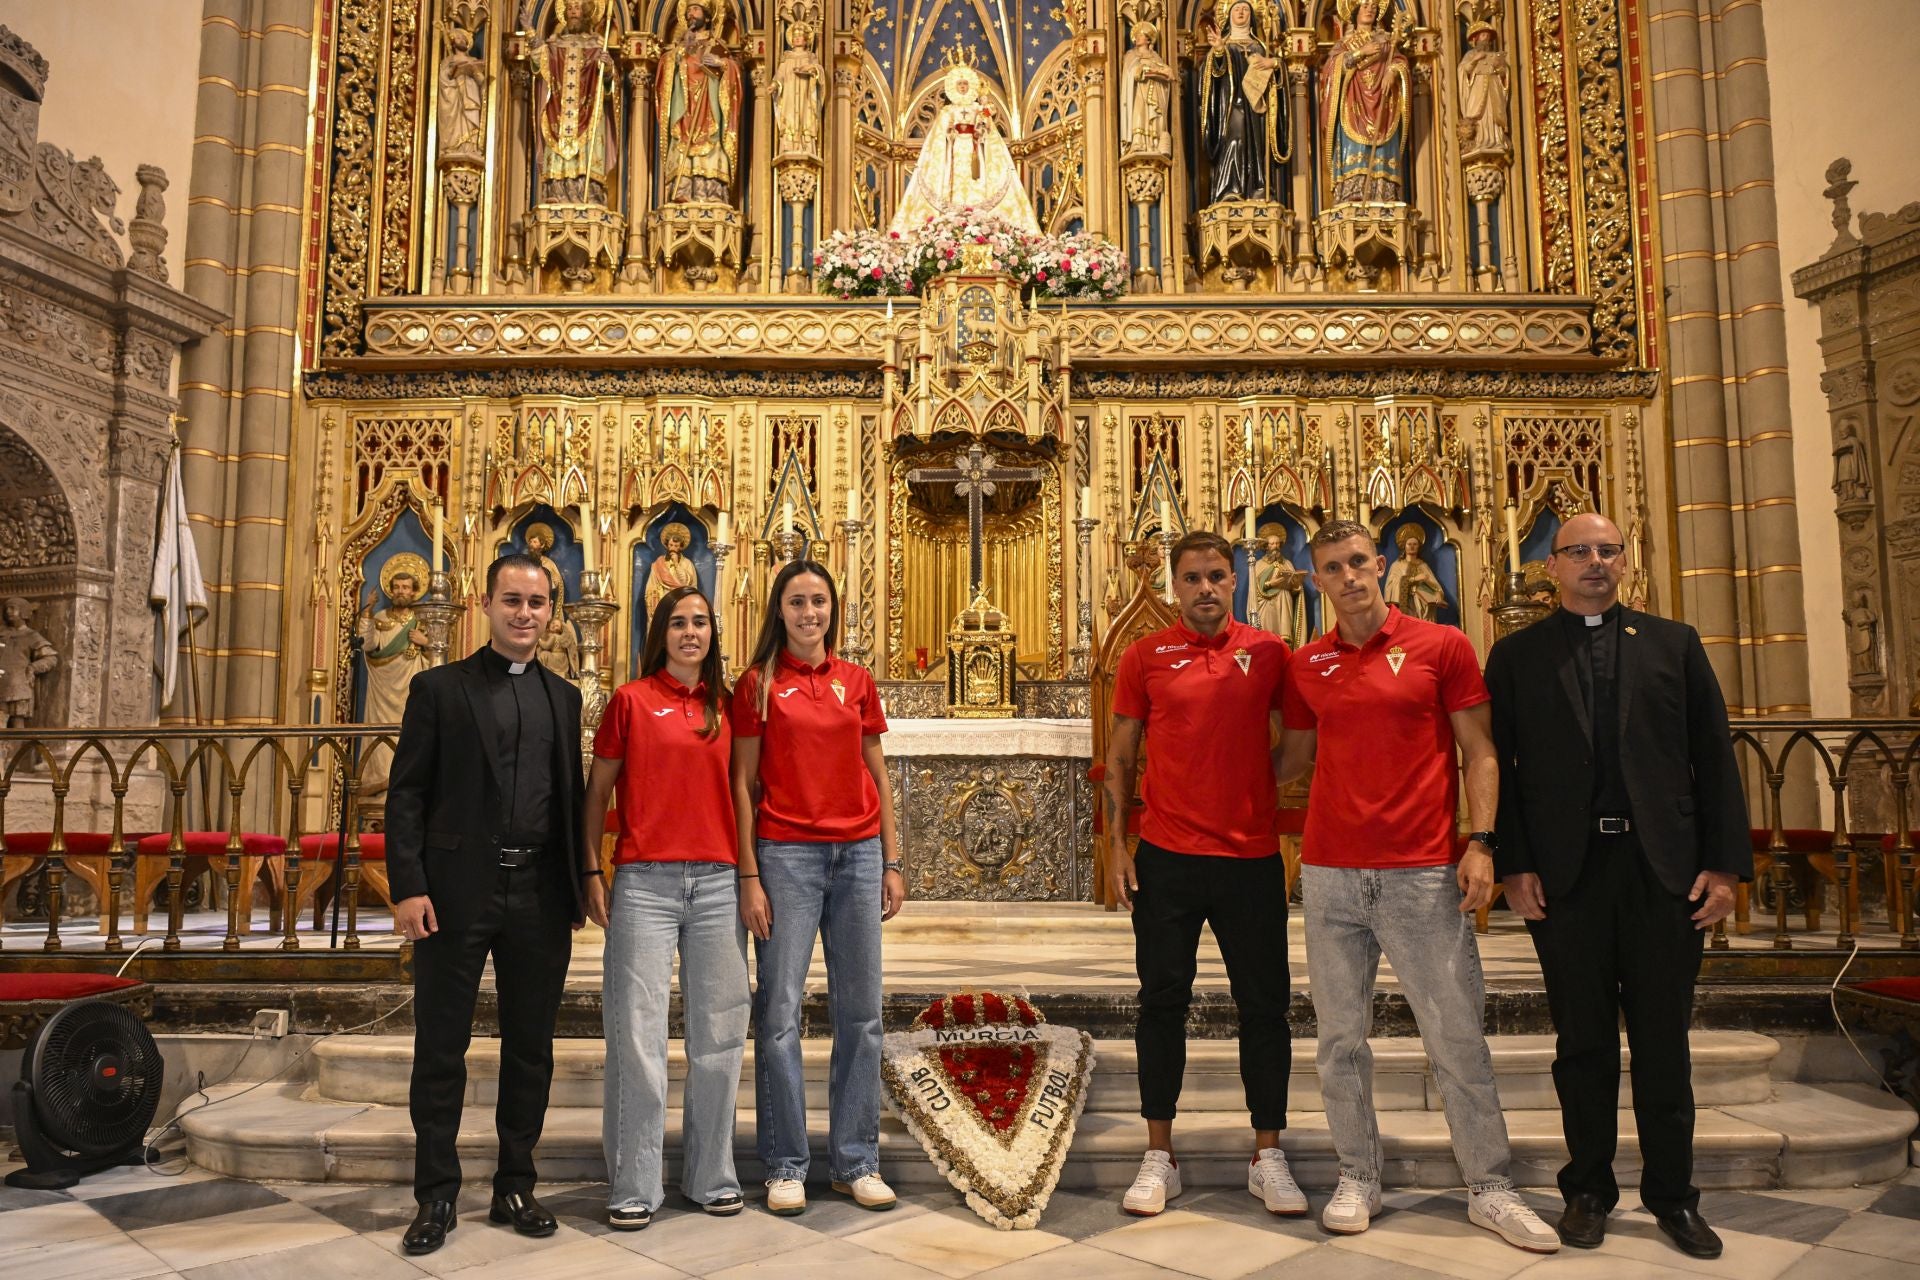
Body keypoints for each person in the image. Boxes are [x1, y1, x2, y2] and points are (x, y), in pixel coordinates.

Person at [1277, 519, 1557, 1253]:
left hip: (1422, 872)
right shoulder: (1308, 664)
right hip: (1332, 872)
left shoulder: (1442, 645)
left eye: (1359, 562)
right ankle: (1357, 1173)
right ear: (1316, 580)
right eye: (1332, 568)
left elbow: (1481, 752)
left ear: (1382, 565)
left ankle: (1490, 1185)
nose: (1349, 577)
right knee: (1340, 1041)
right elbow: (1289, 763)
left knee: (1455, 1034)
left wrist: (1482, 842)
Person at [1485, 512, 1749, 1259]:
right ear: (1552, 568)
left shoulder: (1675, 643)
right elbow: (1501, 769)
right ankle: (1589, 1191)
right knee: (1584, 1043)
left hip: (1663, 872)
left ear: (1625, 561)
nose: (1594, 562)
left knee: (1665, 1042)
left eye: (1607, 550)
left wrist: (1725, 867)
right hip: (1567, 878)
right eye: (1578, 552)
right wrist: (1514, 864)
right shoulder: (1516, 656)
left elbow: (1713, 758)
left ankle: (1673, 1197)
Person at [385, 554, 590, 1256]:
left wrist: (579, 883)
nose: (525, 613)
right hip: (453, 892)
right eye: (513, 600)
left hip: (539, 891)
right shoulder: (438, 689)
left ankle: (514, 1185)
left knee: (530, 1049)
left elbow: (570, 800)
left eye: (537, 602)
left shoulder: (565, 698)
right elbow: (406, 794)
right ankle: (436, 1194)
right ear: (485, 603)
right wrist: (409, 886)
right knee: (441, 1046)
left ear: (551, 610)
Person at [1104, 530, 1304, 1219]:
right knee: (1161, 1002)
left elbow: (1300, 741)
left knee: (1264, 1007)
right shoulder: (1144, 656)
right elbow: (1122, 754)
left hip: (1249, 858)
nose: (1207, 588)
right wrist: (1119, 845)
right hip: (1168, 856)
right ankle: (1159, 1153)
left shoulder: (1270, 652)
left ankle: (1267, 1153)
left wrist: (1256, 786)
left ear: (1236, 580)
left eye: (1218, 575)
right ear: (1174, 585)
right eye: (1192, 578)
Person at [731, 560, 906, 1215]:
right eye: (798, 602)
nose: (809, 614)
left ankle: (856, 1161)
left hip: (857, 855)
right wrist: (749, 873)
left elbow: (878, 772)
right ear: (779, 609)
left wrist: (892, 859)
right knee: (778, 1014)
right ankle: (785, 1163)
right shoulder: (757, 684)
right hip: (787, 857)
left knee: (860, 1014)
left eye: (819, 603)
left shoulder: (855, 681)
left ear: (833, 611)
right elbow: (742, 787)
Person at [585, 585, 748, 1230]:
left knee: (719, 1035)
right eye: (678, 622)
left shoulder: (728, 706)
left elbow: (744, 793)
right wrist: (590, 869)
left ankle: (711, 1175)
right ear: (661, 633)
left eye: (700, 622)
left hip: (717, 882)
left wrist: (750, 877)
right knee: (637, 1033)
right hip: (644, 882)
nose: (690, 633)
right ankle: (634, 1182)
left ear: (713, 632)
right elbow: (595, 793)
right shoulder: (630, 700)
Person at [1197, 0, 1286, 205]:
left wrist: (1273, 63)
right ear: (1228, 16)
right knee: (1235, 139)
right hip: (1231, 105)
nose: (1241, 12)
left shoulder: (1260, 46)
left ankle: (1259, 187)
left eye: (1245, 9)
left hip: (1257, 107)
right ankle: (1229, 188)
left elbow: (1277, 80)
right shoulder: (1224, 44)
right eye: (1237, 9)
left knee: (1258, 143)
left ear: (1252, 17)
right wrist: (1219, 52)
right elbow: (1212, 78)